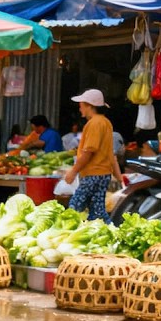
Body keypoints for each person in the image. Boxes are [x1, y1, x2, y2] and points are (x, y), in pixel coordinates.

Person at [63, 89, 122, 223]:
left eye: (81, 105)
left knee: (74, 209)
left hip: (93, 174)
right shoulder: (106, 122)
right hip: (103, 174)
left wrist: (73, 171)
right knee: (97, 212)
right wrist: (118, 176)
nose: (80, 108)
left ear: (89, 105)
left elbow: (88, 152)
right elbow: (110, 154)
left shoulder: (94, 124)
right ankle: (113, 232)